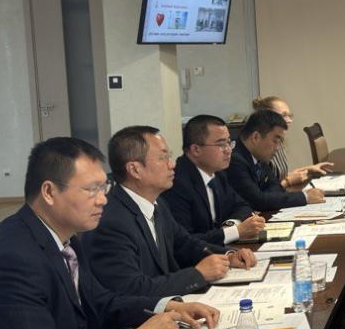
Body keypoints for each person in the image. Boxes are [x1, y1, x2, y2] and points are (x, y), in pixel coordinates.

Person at [0, 137, 219, 329]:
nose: (103, 199)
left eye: (104, 187)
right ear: (49, 192)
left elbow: (101, 302)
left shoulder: (66, 237)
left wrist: (166, 306)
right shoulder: (15, 255)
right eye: (91, 189)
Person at [87, 126, 257, 301]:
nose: (172, 164)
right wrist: (198, 274)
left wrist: (228, 256)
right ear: (135, 169)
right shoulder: (111, 222)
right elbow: (132, 289)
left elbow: (185, 244)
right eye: (163, 158)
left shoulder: (157, 203)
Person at [163, 115, 267, 246]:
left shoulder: (217, 174)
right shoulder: (177, 183)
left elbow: (242, 205)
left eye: (229, 143)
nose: (228, 150)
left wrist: (231, 224)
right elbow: (185, 241)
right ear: (196, 149)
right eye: (221, 144)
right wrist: (235, 232)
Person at [229, 109, 325, 212]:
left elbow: (275, 186)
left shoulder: (258, 156)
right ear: (256, 137)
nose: (278, 147)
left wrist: (267, 196)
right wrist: (305, 197)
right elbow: (258, 201)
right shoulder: (235, 160)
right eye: (275, 141)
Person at [251, 95, 332, 188]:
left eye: (289, 116)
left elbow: (281, 176)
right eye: (284, 115)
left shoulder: (279, 141)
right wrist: (288, 182)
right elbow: (264, 191)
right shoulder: (262, 148)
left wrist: (309, 169)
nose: (289, 120)